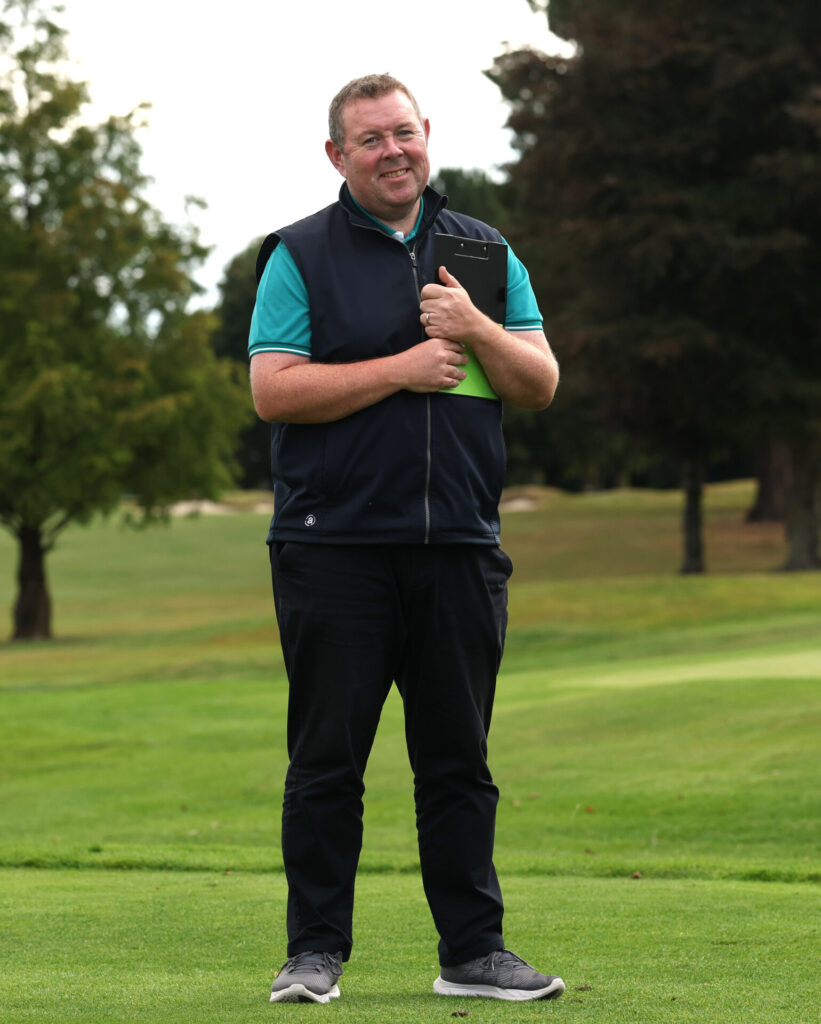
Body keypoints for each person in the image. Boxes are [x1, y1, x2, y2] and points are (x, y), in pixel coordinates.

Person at [248, 74, 563, 1005]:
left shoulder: (483, 252)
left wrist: (472, 326)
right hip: (333, 549)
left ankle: (473, 953)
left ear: (426, 133)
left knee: (458, 763)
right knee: (326, 764)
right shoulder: (299, 254)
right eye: (370, 139)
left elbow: (538, 382)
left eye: (403, 132)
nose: (393, 151)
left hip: (459, 546)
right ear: (337, 155)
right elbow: (273, 389)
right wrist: (402, 368)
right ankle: (313, 954)